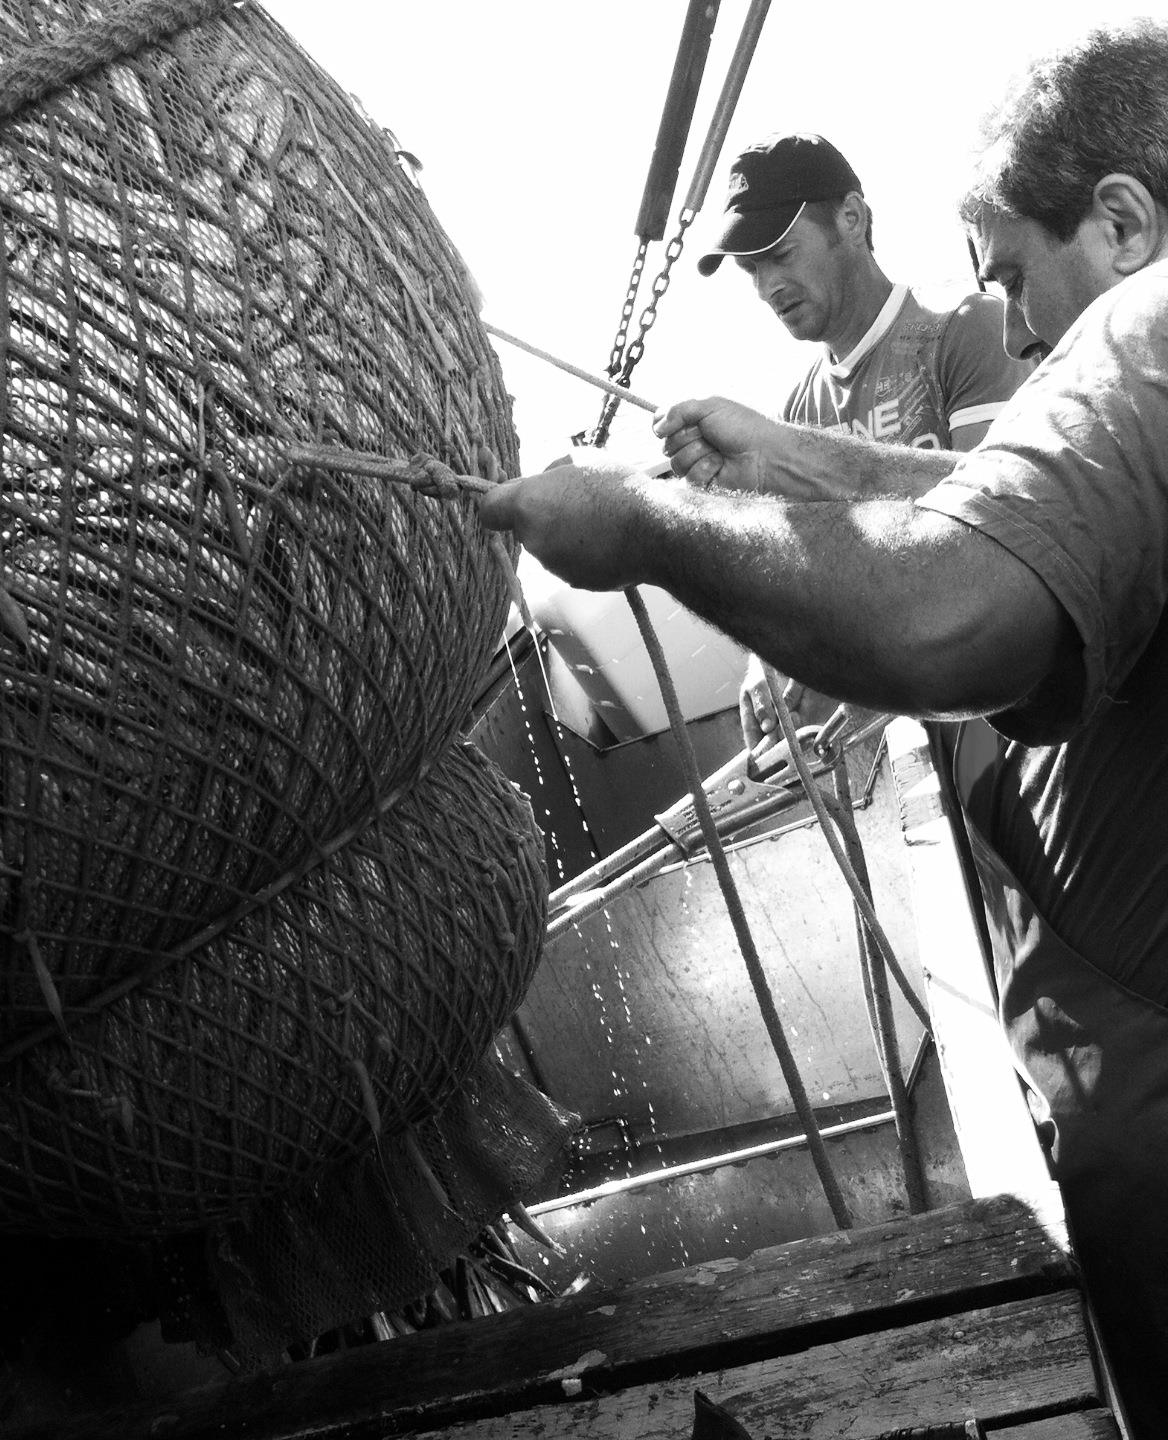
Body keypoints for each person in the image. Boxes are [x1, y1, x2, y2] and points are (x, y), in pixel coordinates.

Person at [481, 19, 1168, 1433]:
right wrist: (801, 464)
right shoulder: (1089, 363)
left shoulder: (1131, 338)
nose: (1031, 330)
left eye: (1025, 282)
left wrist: (646, 528)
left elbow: (956, 599)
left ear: (1122, 222)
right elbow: (994, 495)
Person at [695, 131, 1033, 746]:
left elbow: (1003, 525)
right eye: (752, 269)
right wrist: (766, 661)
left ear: (851, 218)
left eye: (782, 254)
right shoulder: (795, 413)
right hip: (914, 743)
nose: (768, 286)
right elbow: (795, 578)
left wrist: (873, 670)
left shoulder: (966, 331)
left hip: (1014, 723)